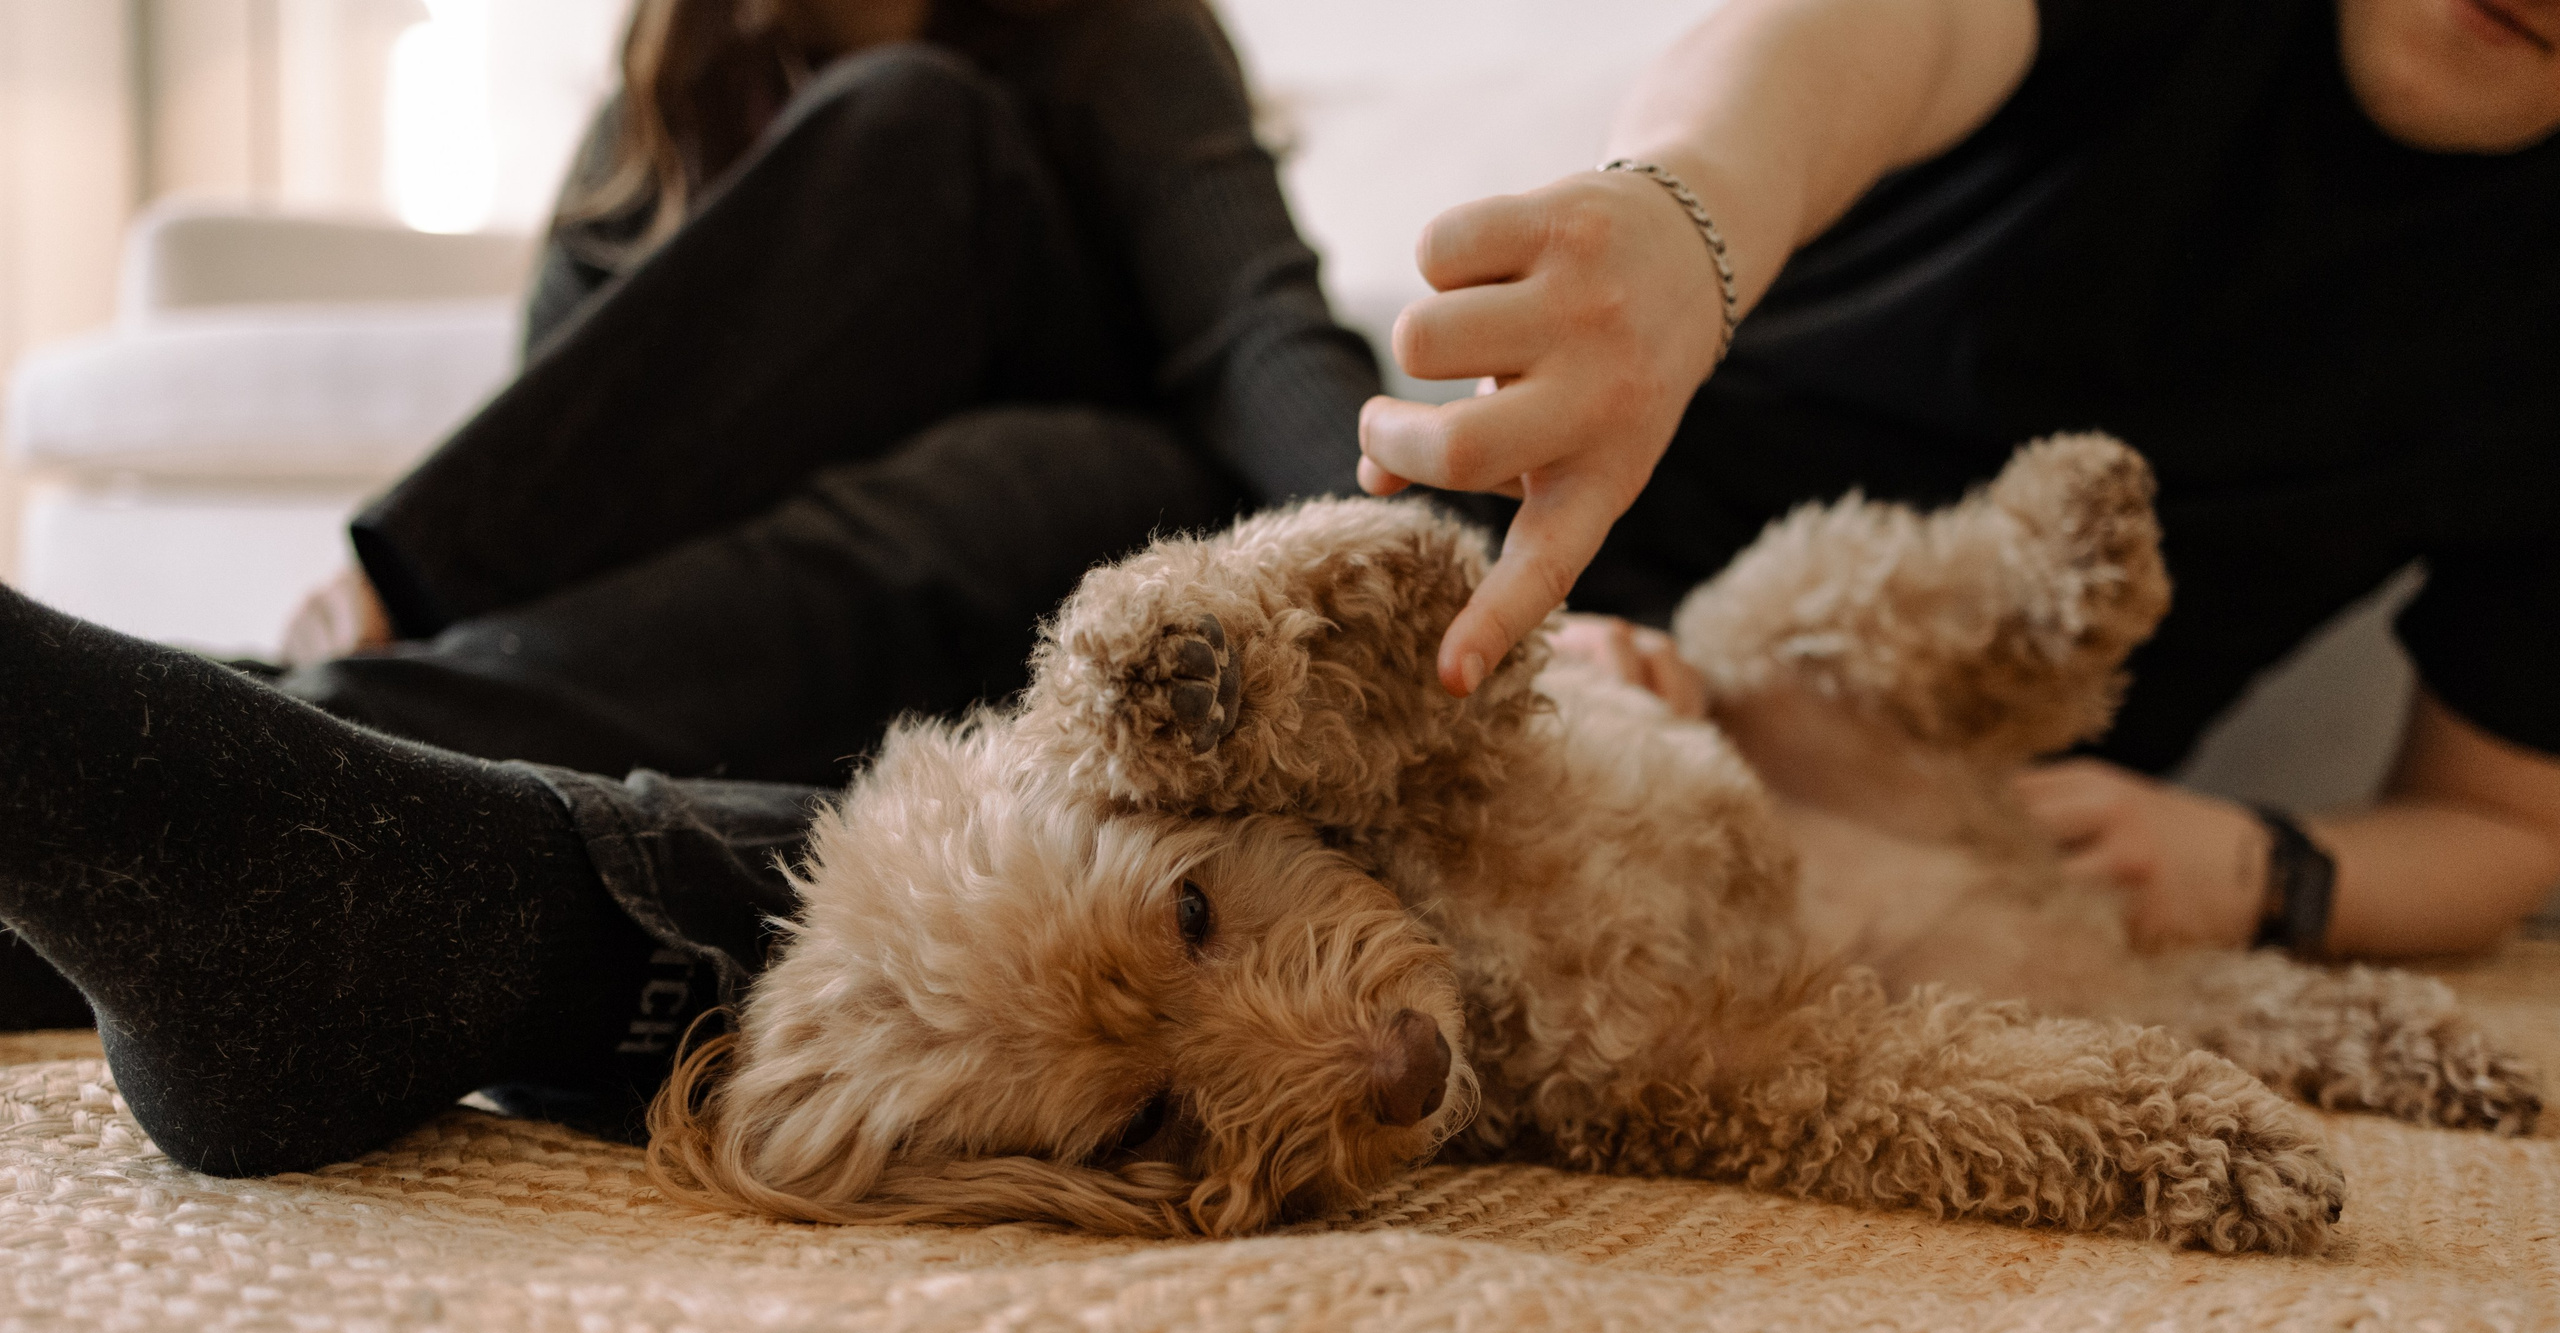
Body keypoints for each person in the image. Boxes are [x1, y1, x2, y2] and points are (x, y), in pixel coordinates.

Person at [2, 0, 2554, 1182]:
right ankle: (313, 758)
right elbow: (1830, 38)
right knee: (941, 228)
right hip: (1396, 599)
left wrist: (2262, 869)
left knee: (1015, 391)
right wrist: (1668, 241)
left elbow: (2499, 816)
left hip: (1561, 674)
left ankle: (314, 804)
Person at [1359, 0, 2560, 962]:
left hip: (1914, 841)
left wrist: (2258, 865)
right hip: (1518, 625)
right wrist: (1684, 207)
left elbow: (2507, 824)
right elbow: (1880, 27)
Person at [269, 0, 1377, 783]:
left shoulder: (1115, 37)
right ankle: (263, 739)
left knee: (913, 124)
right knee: (676, 605)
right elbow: (575, 477)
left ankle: (298, 709)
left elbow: (1255, 333)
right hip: (771, 613)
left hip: (1085, 549)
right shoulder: (660, 106)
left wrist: (1408, 563)